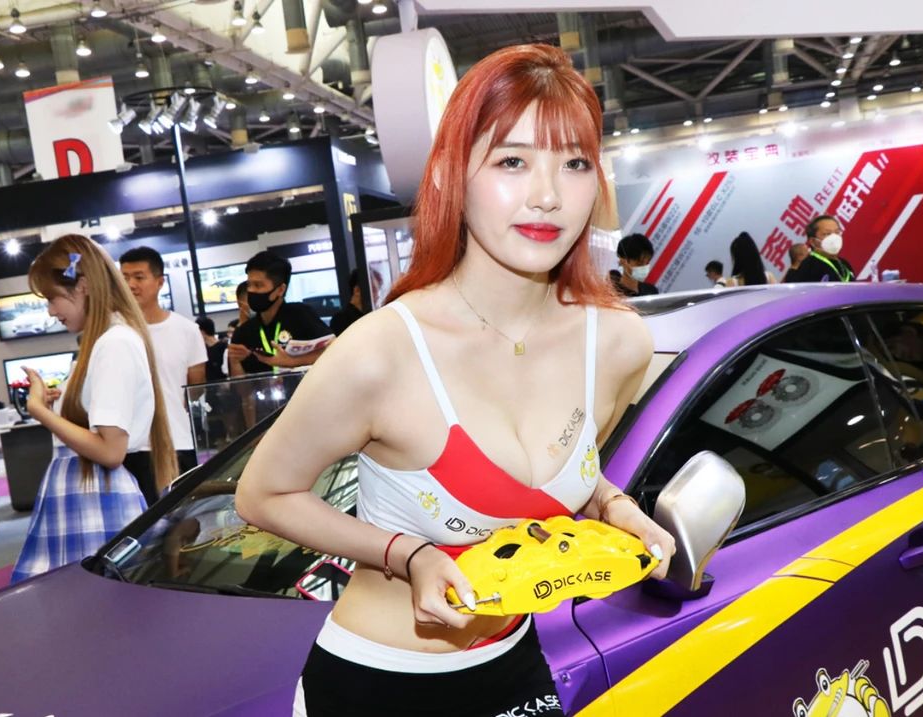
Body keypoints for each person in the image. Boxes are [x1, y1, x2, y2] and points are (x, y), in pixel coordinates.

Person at [234, 44, 676, 717]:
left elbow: (556, 482)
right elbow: (263, 493)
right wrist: (406, 554)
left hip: (515, 663)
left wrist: (616, 509)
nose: (548, 195)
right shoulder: (383, 350)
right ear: (452, 176)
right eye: (512, 161)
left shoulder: (618, 345)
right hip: (377, 683)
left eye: (574, 163)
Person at [11, 235, 177, 583]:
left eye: (53, 298)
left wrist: (41, 411)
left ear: (83, 286)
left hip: (96, 497)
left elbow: (110, 450)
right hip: (89, 495)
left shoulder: (114, 343)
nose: (51, 311)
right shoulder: (108, 341)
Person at [120, 246, 208, 498]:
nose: (131, 285)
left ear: (160, 282)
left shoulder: (187, 330)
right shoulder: (113, 330)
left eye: (139, 277)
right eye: (124, 278)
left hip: (177, 440)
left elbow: (195, 388)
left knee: (184, 515)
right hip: (128, 444)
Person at [228, 251, 332, 377]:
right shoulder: (244, 332)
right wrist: (235, 361)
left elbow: (333, 349)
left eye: (258, 285)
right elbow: (241, 387)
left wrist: (292, 362)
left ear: (280, 290)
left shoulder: (301, 315)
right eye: (249, 285)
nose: (251, 290)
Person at [793, 215, 855, 283]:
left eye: (837, 232)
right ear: (813, 241)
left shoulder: (844, 264)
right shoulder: (809, 266)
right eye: (827, 234)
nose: (834, 237)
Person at [608, 233, 658, 298]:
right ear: (622, 260)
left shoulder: (651, 292)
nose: (643, 267)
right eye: (639, 263)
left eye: (647, 263)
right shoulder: (611, 292)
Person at [330, 269, 370, 336]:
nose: (378, 294)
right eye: (374, 289)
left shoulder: (369, 314)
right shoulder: (340, 319)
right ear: (357, 290)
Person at [196, 317, 229, 382]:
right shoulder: (201, 350)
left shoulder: (224, 347)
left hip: (224, 384)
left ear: (202, 332)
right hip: (208, 385)